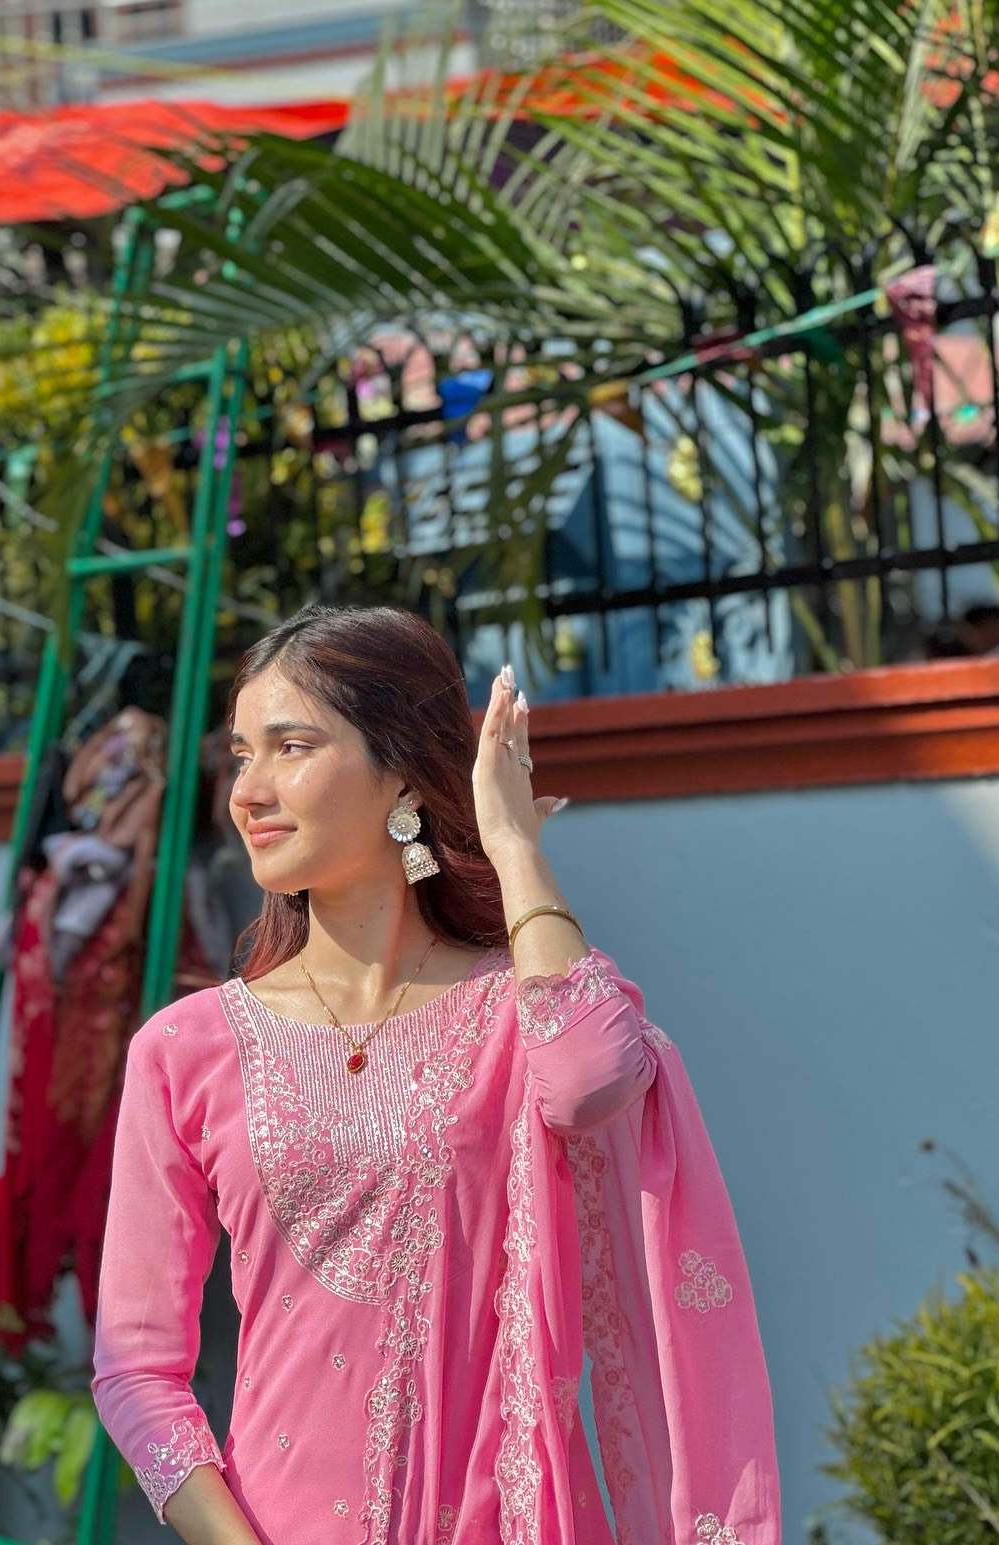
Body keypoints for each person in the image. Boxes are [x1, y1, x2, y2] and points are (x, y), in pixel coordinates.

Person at [91, 604, 779, 1545]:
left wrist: (514, 845)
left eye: (291, 746)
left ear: (403, 771)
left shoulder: (520, 1009)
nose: (248, 790)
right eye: (242, 754)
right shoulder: (184, 1048)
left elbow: (593, 1078)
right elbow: (135, 1367)